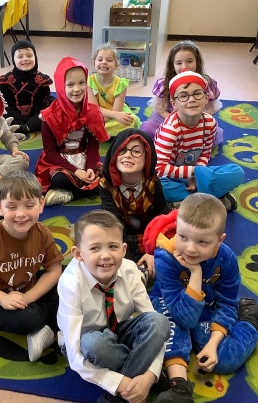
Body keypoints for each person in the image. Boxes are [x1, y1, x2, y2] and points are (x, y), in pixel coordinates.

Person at [144, 193, 258, 403]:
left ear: (220, 240)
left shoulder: (226, 259)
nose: (190, 248)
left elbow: (227, 302)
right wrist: (196, 274)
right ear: (176, 228)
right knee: (168, 332)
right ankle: (180, 388)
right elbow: (184, 318)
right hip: (171, 304)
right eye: (183, 237)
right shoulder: (165, 257)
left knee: (225, 360)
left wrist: (214, 343)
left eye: (202, 242)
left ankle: (251, 318)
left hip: (208, 307)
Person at [57, 210, 170, 403]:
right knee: (95, 345)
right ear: (78, 254)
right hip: (85, 341)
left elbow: (154, 322)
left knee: (160, 322)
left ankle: (115, 399)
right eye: (95, 248)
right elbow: (75, 356)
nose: (106, 255)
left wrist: (149, 376)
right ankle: (134, 382)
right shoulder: (70, 284)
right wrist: (121, 383)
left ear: (123, 249)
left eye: (113, 246)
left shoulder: (129, 269)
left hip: (119, 330)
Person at [0, 171, 63, 362]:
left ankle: (48, 327)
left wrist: (29, 297)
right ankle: (53, 324)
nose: (21, 214)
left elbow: (54, 269)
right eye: (12, 207)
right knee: (28, 319)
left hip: (27, 290)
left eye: (29, 205)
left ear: (41, 204)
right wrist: (3, 299)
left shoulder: (42, 232)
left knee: (70, 276)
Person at [154, 71, 244, 210]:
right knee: (158, 186)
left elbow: (205, 153)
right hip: (172, 175)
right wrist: (194, 172)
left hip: (198, 175)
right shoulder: (170, 129)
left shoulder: (210, 123)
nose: (191, 99)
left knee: (236, 172)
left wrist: (197, 175)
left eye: (197, 94)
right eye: (183, 96)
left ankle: (188, 202)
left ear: (206, 98)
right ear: (174, 103)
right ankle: (211, 201)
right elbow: (160, 169)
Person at [35, 56, 109, 207]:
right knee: (60, 180)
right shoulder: (49, 116)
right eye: (70, 84)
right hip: (59, 161)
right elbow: (50, 152)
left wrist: (90, 168)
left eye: (81, 83)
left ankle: (71, 194)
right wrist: (75, 171)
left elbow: (93, 145)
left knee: (111, 173)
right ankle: (89, 190)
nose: (77, 89)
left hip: (84, 157)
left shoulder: (93, 112)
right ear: (61, 87)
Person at [100, 128, 170, 281]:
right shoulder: (106, 184)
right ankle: (139, 269)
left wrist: (152, 250)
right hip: (121, 234)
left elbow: (161, 218)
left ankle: (144, 267)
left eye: (136, 151)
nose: (127, 155)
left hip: (148, 232)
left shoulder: (152, 182)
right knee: (105, 247)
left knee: (176, 244)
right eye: (122, 150)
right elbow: (114, 225)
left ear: (147, 157)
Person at [141, 40, 223, 145]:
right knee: (148, 129)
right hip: (168, 119)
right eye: (179, 63)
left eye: (189, 61)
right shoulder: (164, 84)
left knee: (211, 134)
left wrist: (194, 123)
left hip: (195, 121)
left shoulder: (206, 83)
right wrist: (176, 123)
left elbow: (210, 109)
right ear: (173, 66)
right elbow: (160, 109)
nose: (185, 67)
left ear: (197, 62)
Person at [0, 40, 53, 135]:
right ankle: (28, 126)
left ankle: (26, 127)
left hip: (36, 116)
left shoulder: (42, 79)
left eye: (29, 55)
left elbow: (44, 101)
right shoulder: (7, 80)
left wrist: (34, 119)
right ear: (13, 60)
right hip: (14, 115)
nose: (25, 59)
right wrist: (24, 119)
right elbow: (3, 103)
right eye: (20, 56)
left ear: (35, 57)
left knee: (53, 106)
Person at [88, 43, 141, 137]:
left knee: (129, 121)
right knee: (85, 119)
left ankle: (98, 132)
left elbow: (117, 111)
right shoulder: (89, 82)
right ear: (94, 62)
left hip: (115, 115)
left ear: (116, 65)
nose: (104, 62)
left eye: (109, 60)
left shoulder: (121, 84)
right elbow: (94, 109)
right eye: (100, 59)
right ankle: (103, 131)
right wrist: (100, 119)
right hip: (99, 114)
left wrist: (102, 121)